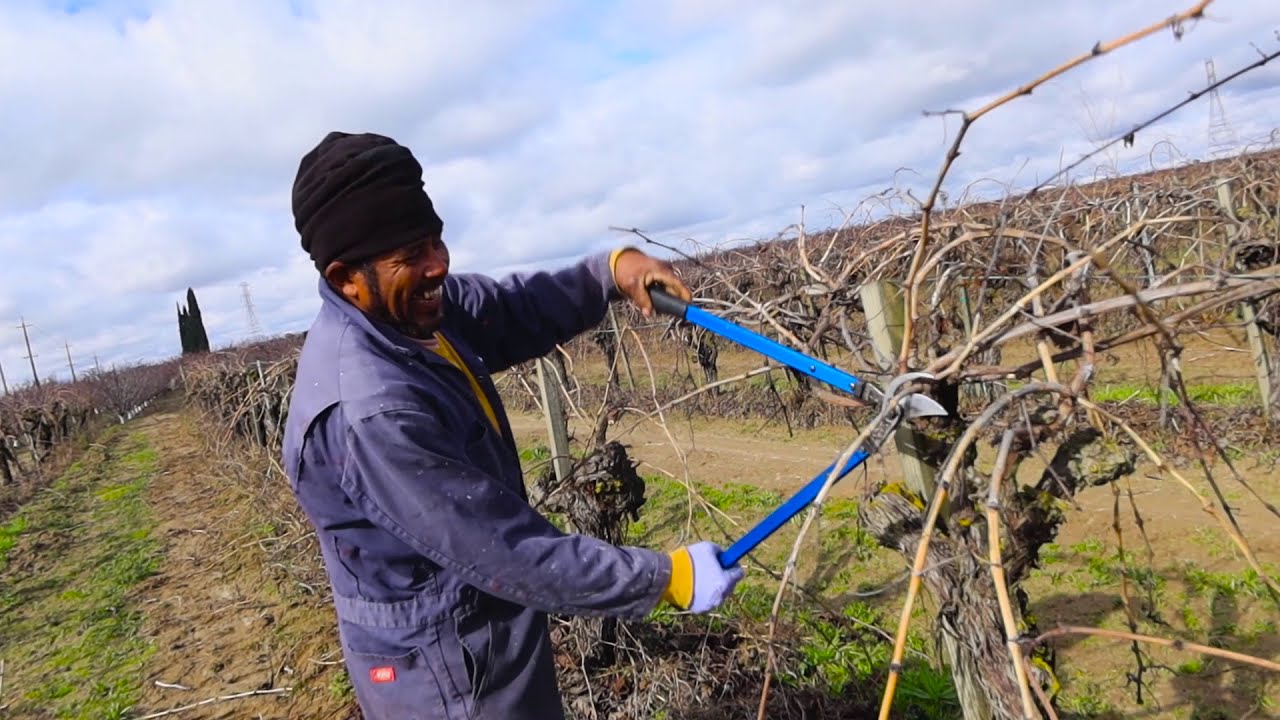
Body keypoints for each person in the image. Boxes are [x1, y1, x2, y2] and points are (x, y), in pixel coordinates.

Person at [281, 131, 745, 720]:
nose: (439, 264)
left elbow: (512, 308)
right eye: (410, 255)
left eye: (436, 239)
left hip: (479, 632)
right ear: (347, 276)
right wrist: (664, 578)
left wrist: (610, 271)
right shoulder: (372, 412)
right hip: (445, 673)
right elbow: (506, 551)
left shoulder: (410, 314)